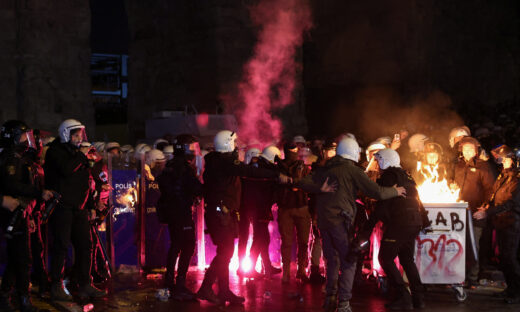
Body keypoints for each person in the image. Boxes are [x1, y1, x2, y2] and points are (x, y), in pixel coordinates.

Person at [296, 136, 406, 312]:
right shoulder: (352, 170)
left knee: (332, 260)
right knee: (349, 260)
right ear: (353, 152)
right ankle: (344, 303)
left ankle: (330, 298)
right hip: (340, 221)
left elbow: (303, 181)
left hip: (323, 222)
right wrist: (396, 190)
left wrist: (320, 189)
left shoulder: (326, 168)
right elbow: (376, 192)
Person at [196, 130, 290, 305]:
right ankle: (206, 287)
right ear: (227, 144)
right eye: (234, 142)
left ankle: (223, 292)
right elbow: (248, 171)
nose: (237, 145)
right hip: (221, 214)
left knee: (225, 253)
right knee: (225, 253)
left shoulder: (217, 162)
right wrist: (275, 174)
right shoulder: (223, 162)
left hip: (222, 213)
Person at [44, 119, 107, 301]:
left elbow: (85, 182)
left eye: (81, 135)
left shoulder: (77, 154)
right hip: (62, 207)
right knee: (61, 246)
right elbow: (66, 169)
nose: (80, 139)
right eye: (76, 135)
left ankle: (85, 284)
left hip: (79, 208)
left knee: (85, 246)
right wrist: (80, 155)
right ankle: (56, 285)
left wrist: (90, 206)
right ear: (66, 135)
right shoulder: (56, 152)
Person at [362, 149, 427, 310]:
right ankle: (419, 299)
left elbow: (382, 204)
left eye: (378, 161)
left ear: (386, 161)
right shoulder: (407, 175)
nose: (376, 165)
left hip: (400, 222)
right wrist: (424, 221)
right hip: (414, 222)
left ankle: (403, 296)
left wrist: (368, 228)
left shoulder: (389, 176)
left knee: (385, 257)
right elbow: (418, 200)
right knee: (407, 260)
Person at [0, 120, 54, 311]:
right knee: (22, 258)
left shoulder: (16, 158)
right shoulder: (10, 158)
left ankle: (7, 296)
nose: (27, 140)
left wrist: (29, 214)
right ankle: (22, 299)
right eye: (23, 136)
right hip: (11, 215)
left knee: (19, 257)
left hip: (20, 213)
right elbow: (11, 186)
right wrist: (38, 193)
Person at [157, 134, 202, 300]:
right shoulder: (183, 168)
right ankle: (180, 285)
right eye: (191, 147)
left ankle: (169, 280)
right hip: (182, 212)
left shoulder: (171, 164)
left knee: (175, 245)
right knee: (188, 245)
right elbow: (196, 188)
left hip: (172, 212)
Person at [474, 145, 520, 304]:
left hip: (511, 223)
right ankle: (511, 288)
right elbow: (494, 194)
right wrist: (486, 205)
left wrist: (488, 212)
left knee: (510, 257)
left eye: (507, 159)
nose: (504, 162)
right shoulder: (503, 175)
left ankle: (516, 292)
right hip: (500, 222)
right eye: (503, 159)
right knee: (503, 257)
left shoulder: (517, 179)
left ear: (514, 161)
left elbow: (510, 203)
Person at [453, 136, 496, 287]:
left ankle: (472, 278)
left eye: (471, 149)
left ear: (476, 151)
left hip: (476, 213)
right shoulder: (457, 165)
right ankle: (457, 276)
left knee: (473, 245)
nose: (467, 151)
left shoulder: (483, 166)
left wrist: (484, 208)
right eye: (465, 149)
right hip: (458, 214)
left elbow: (491, 190)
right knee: (457, 245)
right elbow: (452, 182)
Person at [237, 146, 283, 278]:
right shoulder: (257, 171)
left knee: (262, 238)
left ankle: (266, 266)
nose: (256, 162)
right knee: (257, 238)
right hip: (256, 208)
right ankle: (248, 268)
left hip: (255, 207)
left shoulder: (255, 170)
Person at [277, 142, 313, 283]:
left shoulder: (303, 167)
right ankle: (286, 272)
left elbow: (307, 183)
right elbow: (277, 184)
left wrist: (291, 181)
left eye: (295, 150)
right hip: (286, 209)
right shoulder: (279, 166)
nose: (293, 152)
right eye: (291, 149)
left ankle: (301, 270)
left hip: (302, 208)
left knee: (304, 242)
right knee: (287, 242)